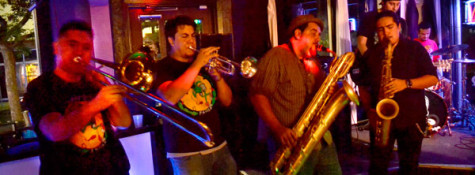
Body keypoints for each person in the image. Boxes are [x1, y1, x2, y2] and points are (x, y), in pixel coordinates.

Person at [23, 20, 131, 174]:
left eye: (86, 47)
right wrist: (96, 104)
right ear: (56, 48)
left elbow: (124, 122)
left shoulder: (93, 83)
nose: (80, 52)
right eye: (72, 44)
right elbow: (55, 132)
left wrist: (106, 85)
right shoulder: (40, 86)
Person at [250, 14, 342, 174]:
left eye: (319, 34)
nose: (318, 38)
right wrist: (278, 128)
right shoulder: (276, 56)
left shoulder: (313, 62)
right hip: (292, 144)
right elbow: (258, 95)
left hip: (322, 139)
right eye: (313, 33)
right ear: (298, 34)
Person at [353, 11, 438, 175]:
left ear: (399, 27)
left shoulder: (415, 49)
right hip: (381, 119)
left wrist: (405, 84)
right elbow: (362, 84)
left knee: (409, 167)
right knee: (378, 167)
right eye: (380, 29)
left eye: (390, 27)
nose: (386, 33)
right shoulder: (372, 54)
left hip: (411, 118)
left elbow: (433, 79)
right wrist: (369, 110)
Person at [151, 15, 237, 174]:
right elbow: (170, 97)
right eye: (184, 36)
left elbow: (227, 101)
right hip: (186, 153)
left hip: (218, 146)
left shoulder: (205, 66)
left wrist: (218, 77)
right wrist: (198, 63)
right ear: (171, 40)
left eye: (193, 36)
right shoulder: (161, 68)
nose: (191, 41)